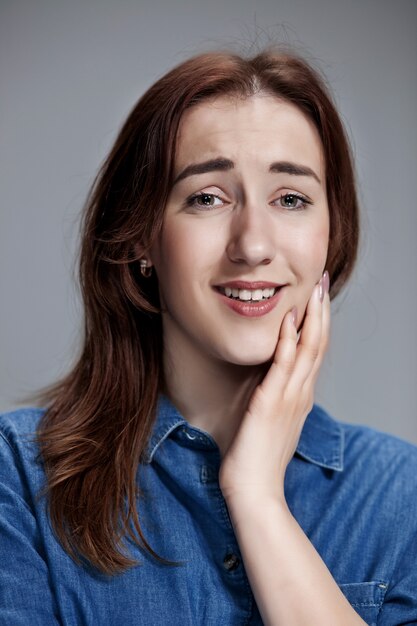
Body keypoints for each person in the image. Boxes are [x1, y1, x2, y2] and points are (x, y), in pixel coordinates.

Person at [1, 48, 416, 626]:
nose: (252, 244)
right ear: (142, 238)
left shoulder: (403, 496)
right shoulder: (19, 475)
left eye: (290, 199)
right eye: (207, 198)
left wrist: (257, 498)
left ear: (331, 235)